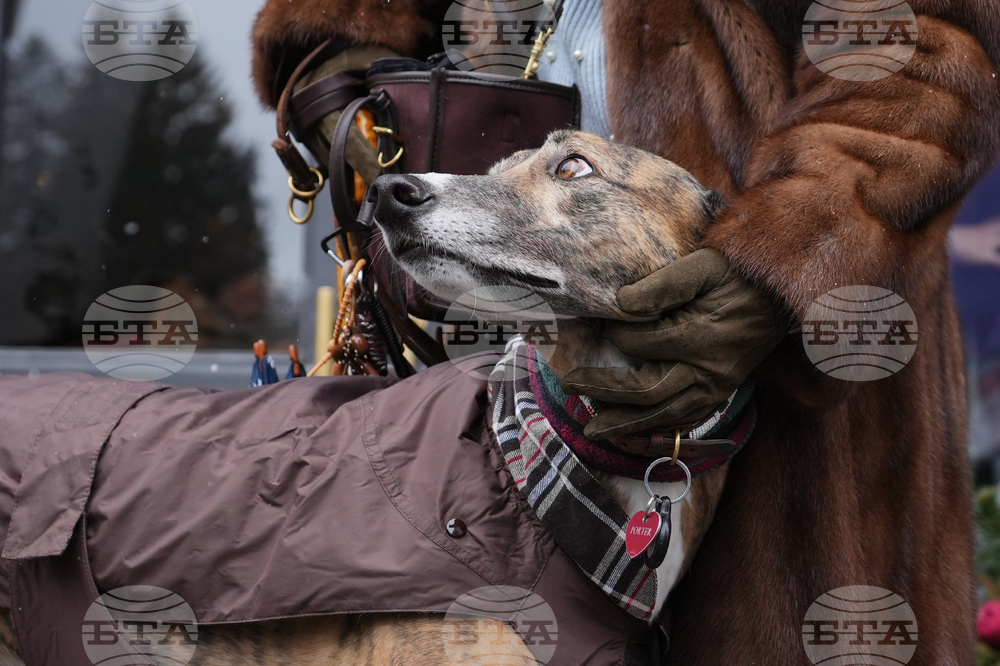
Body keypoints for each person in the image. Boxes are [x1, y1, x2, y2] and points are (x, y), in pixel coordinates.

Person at [251, 1, 1000, 662]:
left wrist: (785, 257)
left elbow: (928, 56)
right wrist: (345, 72)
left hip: (777, 385)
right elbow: (342, 26)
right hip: (497, 380)